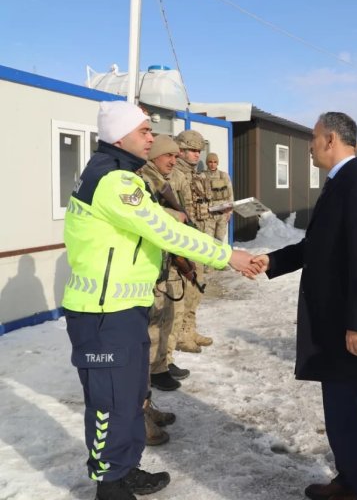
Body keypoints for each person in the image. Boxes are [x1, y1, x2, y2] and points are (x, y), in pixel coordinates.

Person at [62, 101, 254, 500]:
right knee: (110, 403)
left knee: (132, 395)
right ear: (119, 136)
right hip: (102, 314)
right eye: (144, 130)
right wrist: (227, 254)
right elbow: (166, 232)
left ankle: (125, 469)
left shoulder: (121, 175)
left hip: (123, 309)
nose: (151, 136)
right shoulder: (115, 181)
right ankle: (109, 484)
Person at [250, 112, 357, 500]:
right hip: (335, 322)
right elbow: (315, 247)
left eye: (314, 138)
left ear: (331, 139)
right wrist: (271, 261)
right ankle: (349, 483)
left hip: (348, 327)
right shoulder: (341, 184)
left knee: (345, 418)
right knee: (342, 415)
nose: (310, 146)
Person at [137, 134, 183, 447]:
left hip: (157, 267)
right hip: (141, 276)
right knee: (143, 345)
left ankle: (145, 406)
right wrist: (173, 216)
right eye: (169, 156)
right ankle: (138, 420)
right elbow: (146, 218)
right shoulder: (140, 180)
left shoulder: (157, 179)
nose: (173, 161)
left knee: (153, 336)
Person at [173, 129, 214, 351]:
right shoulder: (174, 176)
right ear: (180, 150)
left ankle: (190, 327)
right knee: (186, 288)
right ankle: (180, 334)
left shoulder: (195, 175)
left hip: (198, 238)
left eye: (199, 151)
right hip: (183, 241)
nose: (196, 155)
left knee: (198, 286)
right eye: (192, 151)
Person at [203, 152, 234, 242]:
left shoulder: (223, 176)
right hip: (209, 214)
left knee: (219, 241)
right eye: (210, 162)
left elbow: (230, 194)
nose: (213, 164)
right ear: (207, 163)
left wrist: (230, 212)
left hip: (223, 214)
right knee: (208, 240)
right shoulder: (202, 176)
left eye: (215, 162)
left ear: (217, 163)